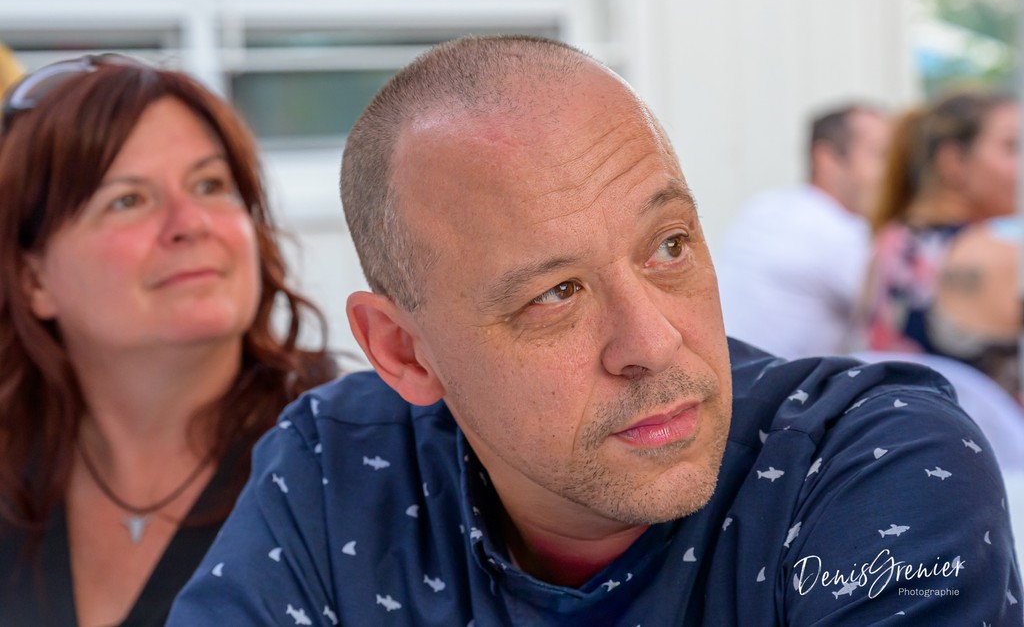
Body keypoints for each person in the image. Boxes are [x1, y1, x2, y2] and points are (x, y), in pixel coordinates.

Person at [169, 36, 1022, 625]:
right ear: (403, 350)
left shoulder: (874, 460)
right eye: (556, 294)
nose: (653, 342)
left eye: (669, 246)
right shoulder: (337, 467)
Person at [0, 54, 338, 626]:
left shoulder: (355, 463)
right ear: (34, 281)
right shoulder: (14, 470)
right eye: (128, 199)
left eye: (211, 185)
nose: (191, 222)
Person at [854, 91, 1020, 400]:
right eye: (1012, 147)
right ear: (954, 161)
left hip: (899, 423)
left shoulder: (888, 242)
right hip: (981, 429)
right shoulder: (999, 257)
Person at [715, 104, 890, 359]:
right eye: (880, 155)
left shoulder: (763, 207)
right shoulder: (834, 231)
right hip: (780, 382)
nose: (894, 172)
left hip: (736, 373)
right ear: (825, 158)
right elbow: (907, 306)